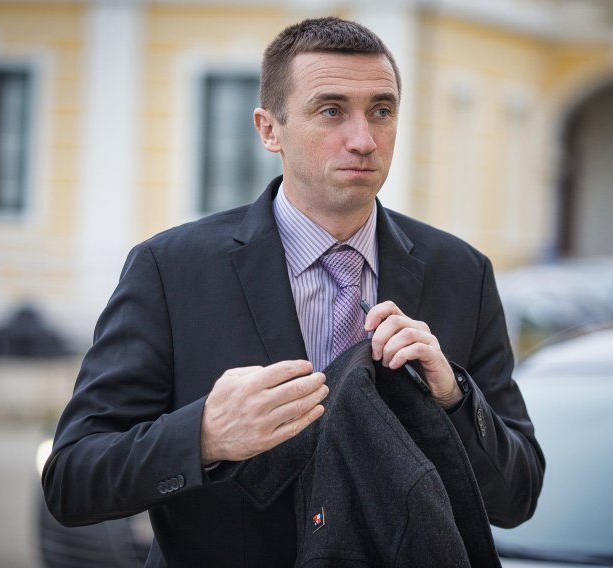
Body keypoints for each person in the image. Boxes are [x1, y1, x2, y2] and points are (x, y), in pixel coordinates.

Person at [43, 16, 544, 566]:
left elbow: (518, 497)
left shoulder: (462, 274)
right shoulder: (170, 270)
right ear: (268, 129)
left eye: (381, 111)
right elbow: (72, 481)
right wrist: (204, 436)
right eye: (331, 111)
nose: (363, 140)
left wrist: (455, 400)